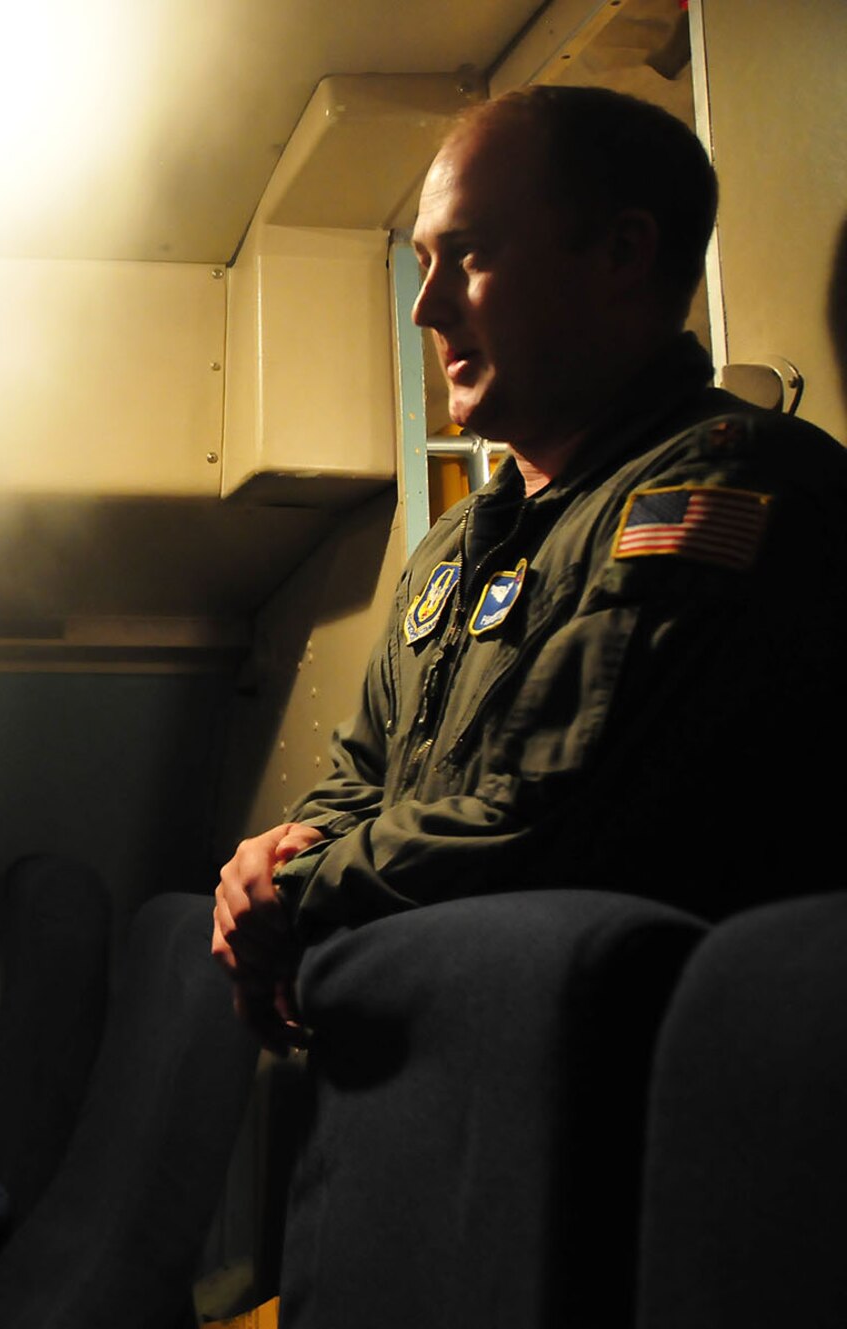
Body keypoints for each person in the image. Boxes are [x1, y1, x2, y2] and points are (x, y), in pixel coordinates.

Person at [211, 85, 847, 1050]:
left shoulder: (727, 483)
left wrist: (292, 893)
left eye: (469, 255)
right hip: (456, 1074)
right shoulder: (457, 547)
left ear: (622, 255)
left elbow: (554, 811)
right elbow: (364, 777)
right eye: (424, 264)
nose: (427, 305)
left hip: (626, 1096)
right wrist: (265, 864)